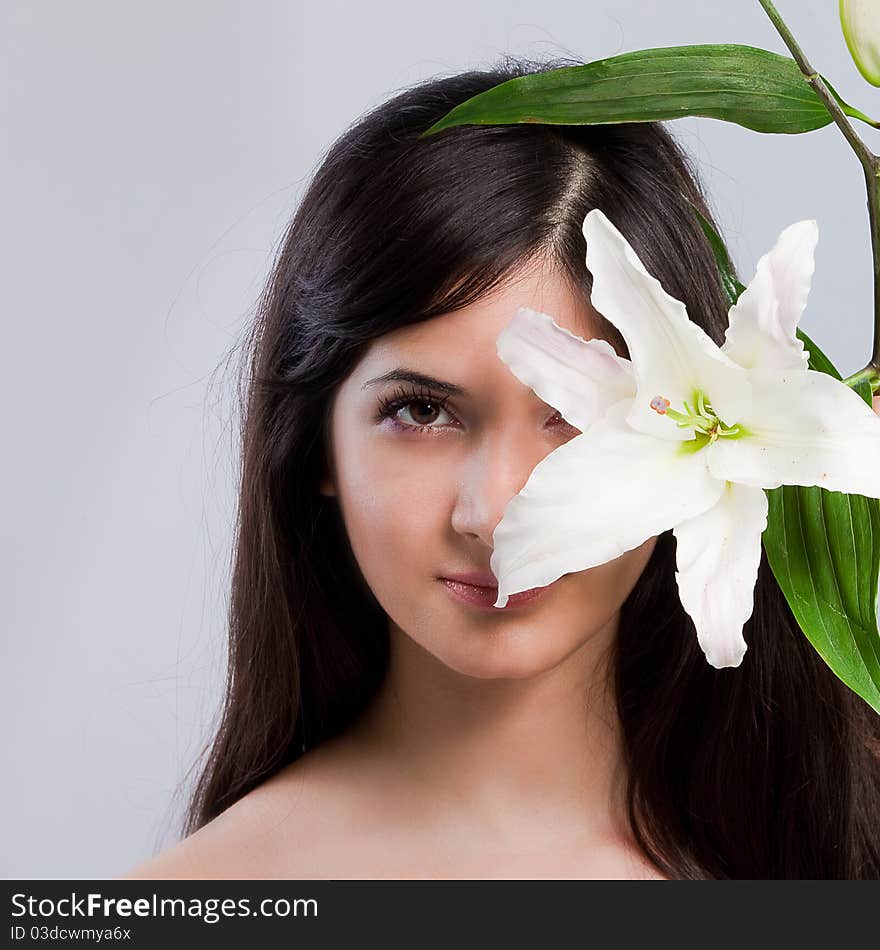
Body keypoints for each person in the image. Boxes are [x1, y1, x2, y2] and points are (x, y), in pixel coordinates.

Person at [123, 57, 880, 880]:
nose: (496, 515)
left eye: (578, 416)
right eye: (420, 411)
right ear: (315, 445)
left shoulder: (836, 832)